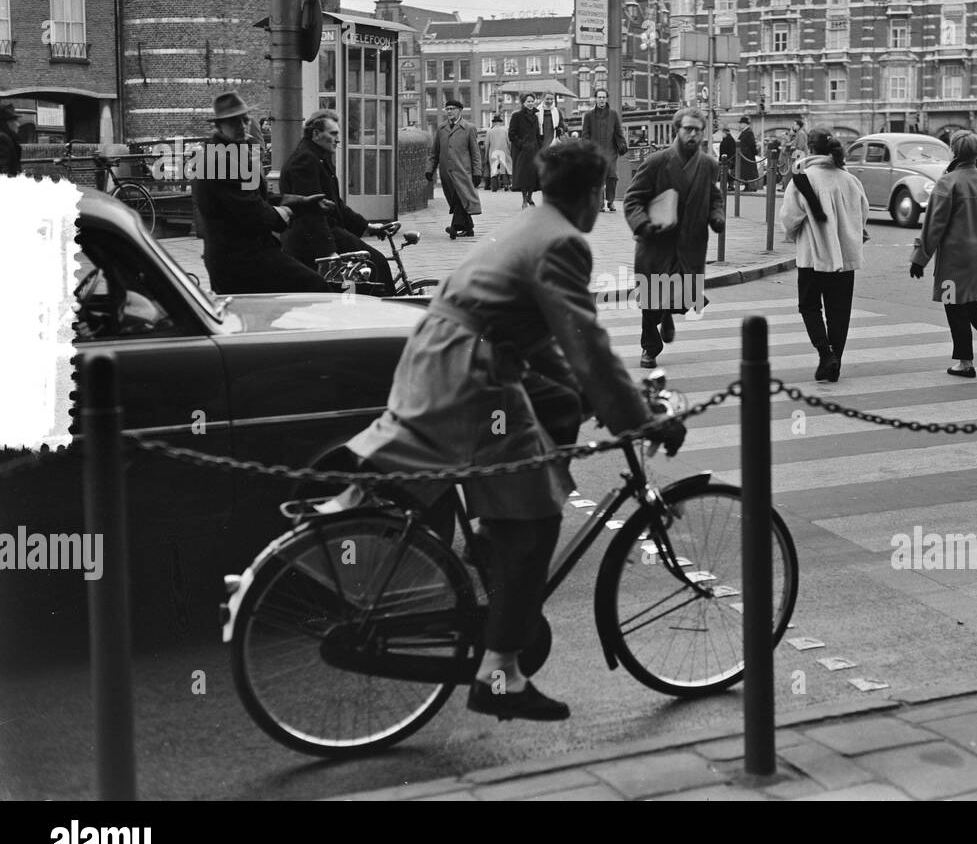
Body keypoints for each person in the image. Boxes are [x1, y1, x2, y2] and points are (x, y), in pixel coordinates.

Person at [340, 139, 686, 721]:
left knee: (542, 436)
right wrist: (640, 417)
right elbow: (589, 348)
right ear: (593, 193)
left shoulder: (534, 223)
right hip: (470, 372)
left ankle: (496, 541)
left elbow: (546, 344)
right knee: (537, 517)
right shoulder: (564, 243)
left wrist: (585, 397)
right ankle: (500, 673)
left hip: (448, 356)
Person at [191, 91, 330, 295]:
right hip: (242, 261)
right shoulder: (220, 161)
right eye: (233, 122)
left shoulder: (229, 154)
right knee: (316, 287)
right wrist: (287, 212)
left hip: (243, 257)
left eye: (244, 120)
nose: (241, 126)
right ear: (219, 125)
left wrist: (303, 203)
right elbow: (255, 213)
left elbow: (256, 198)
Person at [623, 107, 725, 369]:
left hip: (690, 244)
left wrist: (717, 216)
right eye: (687, 129)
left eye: (698, 130)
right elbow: (633, 199)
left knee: (680, 299)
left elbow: (714, 197)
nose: (693, 134)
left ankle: (668, 313)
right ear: (677, 130)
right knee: (650, 300)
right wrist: (642, 224)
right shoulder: (657, 162)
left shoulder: (708, 165)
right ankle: (650, 347)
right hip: (656, 242)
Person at [908, 130, 977, 377]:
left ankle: (965, 362)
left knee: (954, 306)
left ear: (954, 152)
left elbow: (934, 226)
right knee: (973, 303)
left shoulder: (948, 183)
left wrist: (919, 259)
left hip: (954, 258)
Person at [779, 127, 870, 382]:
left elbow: (789, 219)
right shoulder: (850, 179)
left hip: (813, 256)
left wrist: (792, 233)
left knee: (809, 306)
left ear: (809, 147)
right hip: (846, 257)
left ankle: (825, 353)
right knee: (839, 311)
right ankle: (836, 361)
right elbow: (863, 214)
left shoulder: (805, 178)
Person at [279, 108, 395, 294]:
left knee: (363, 274)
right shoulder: (305, 160)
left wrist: (366, 226)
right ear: (316, 134)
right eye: (333, 133)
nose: (338, 139)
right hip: (311, 238)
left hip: (327, 232)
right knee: (375, 263)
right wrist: (329, 251)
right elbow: (311, 213)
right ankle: (387, 313)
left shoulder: (318, 158)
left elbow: (336, 204)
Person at [427, 99, 482, 240]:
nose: (449, 111)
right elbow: (434, 152)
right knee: (458, 200)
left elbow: (475, 153)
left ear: (459, 110)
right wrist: (430, 170)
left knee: (460, 199)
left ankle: (455, 227)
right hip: (447, 174)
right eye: (447, 109)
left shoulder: (469, 128)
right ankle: (468, 228)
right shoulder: (441, 128)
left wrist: (477, 172)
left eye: (452, 108)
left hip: (463, 173)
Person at [580, 87, 628, 213]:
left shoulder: (613, 114)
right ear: (595, 99)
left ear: (606, 99)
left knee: (612, 177)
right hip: (595, 153)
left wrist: (622, 143)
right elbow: (585, 135)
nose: (601, 99)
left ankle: (610, 201)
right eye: (599, 97)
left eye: (603, 97)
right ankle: (600, 204)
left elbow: (618, 131)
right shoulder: (589, 116)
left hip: (611, 151)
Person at [509, 93, 542, 208]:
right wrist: (522, 144)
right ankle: (524, 200)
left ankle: (530, 197)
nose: (531, 103)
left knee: (533, 175)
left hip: (534, 150)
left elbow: (537, 134)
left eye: (532, 101)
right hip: (521, 151)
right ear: (523, 103)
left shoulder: (536, 117)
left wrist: (539, 147)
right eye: (528, 101)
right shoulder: (516, 116)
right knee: (523, 176)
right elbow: (511, 134)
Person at [485, 112, 511, 191]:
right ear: (500, 122)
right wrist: (509, 151)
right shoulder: (505, 130)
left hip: (493, 152)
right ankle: (506, 185)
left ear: (494, 122)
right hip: (503, 151)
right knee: (503, 169)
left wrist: (486, 155)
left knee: (494, 170)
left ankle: (494, 187)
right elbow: (509, 142)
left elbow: (487, 144)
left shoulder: (489, 131)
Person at [736, 116, 759, 191]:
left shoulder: (749, 132)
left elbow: (752, 144)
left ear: (745, 124)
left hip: (748, 156)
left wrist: (754, 152)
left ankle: (751, 187)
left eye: (741, 123)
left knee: (749, 173)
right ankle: (747, 186)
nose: (740, 125)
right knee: (745, 172)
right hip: (744, 156)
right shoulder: (744, 132)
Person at [0, 103, 21, 177]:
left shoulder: (8, 138)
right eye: (15, 121)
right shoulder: (3, 140)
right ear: (7, 123)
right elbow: (4, 171)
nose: (18, 125)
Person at [718, 125, 737, 191]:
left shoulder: (728, 140)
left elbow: (731, 151)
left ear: (725, 132)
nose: (722, 134)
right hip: (725, 159)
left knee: (727, 173)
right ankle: (729, 185)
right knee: (726, 173)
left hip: (727, 160)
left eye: (722, 133)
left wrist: (729, 160)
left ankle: (730, 186)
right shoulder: (727, 139)